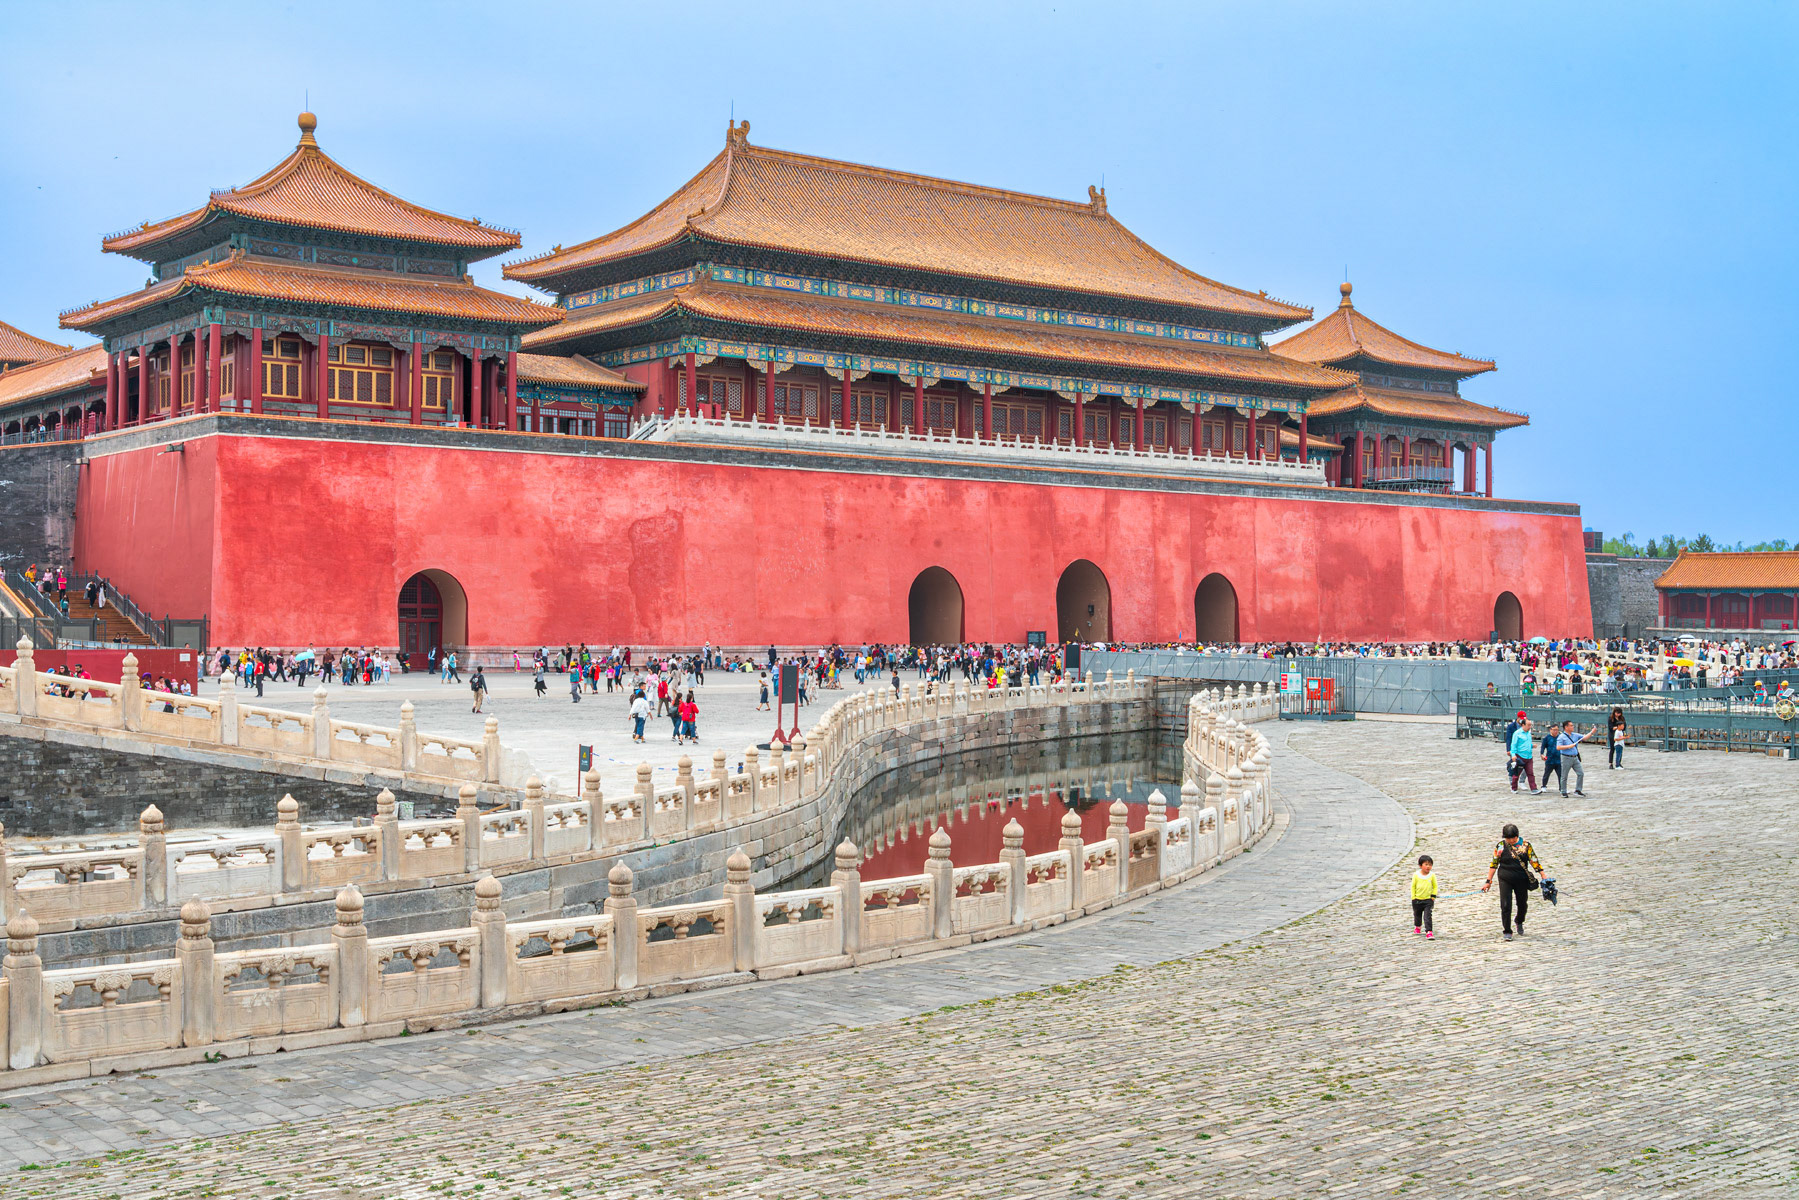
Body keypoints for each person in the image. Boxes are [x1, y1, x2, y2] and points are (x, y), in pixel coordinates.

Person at [1481, 824, 1546, 941]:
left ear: (1517, 836)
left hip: (1521, 879)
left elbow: (1534, 860)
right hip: (1505, 879)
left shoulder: (1526, 846)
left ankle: (1519, 920)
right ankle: (1507, 931)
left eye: (1513, 838)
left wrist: (1542, 875)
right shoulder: (1500, 846)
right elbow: (1494, 864)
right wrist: (1488, 881)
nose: (1511, 840)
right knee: (1505, 905)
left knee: (1522, 904)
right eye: (1508, 838)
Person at [1555, 720, 1592, 796]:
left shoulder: (1575, 735)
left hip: (1575, 757)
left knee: (1580, 773)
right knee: (1564, 775)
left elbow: (1584, 738)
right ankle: (1563, 791)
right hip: (1566, 757)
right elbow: (1558, 747)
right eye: (1571, 725)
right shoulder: (1561, 737)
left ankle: (1578, 790)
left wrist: (1591, 732)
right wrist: (1568, 746)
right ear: (1566, 727)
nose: (1573, 727)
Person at [1508, 716, 1539, 794]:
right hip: (1520, 756)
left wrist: (1532, 746)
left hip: (1529, 756)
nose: (1530, 727)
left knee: (1530, 773)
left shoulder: (1528, 733)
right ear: (1523, 725)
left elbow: (1526, 744)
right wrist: (1513, 755)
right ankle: (1514, 788)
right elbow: (1514, 745)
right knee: (1517, 773)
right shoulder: (1517, 734)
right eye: (1528, 725)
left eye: (1530, 725)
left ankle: (1533, 788)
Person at [1411, 854, 1438, 940]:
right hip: (1417, 900)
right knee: (1417, 915)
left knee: (1427, 916)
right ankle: (1417, 926)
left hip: (1428, 900)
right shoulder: (1416, 875)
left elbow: (1435, 886)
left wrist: (1433, 896)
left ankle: (1429, 932)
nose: (1428, 867)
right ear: (1420, 865)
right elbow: (1413, 886)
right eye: (1426, 864)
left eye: (1430, 865)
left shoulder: (1432, 875)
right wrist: (1413, 897)